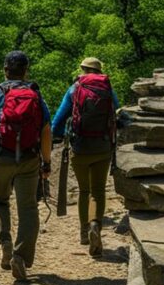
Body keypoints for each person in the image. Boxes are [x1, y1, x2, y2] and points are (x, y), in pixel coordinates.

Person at [0, 51, 53, 282]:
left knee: (0, 200)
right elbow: (46, 131)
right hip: (28, 158)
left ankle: (5, 242)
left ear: (5, 69)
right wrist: (46, 162)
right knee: (28, 207)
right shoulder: (35, 95)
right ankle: (20, 256)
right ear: (26, 70)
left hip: (2, 158)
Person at [51, 57, 120, 257]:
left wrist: (55, 137)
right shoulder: (108, 89)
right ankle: (95, 225)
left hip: (80, 147)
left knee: (84, 190)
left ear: (82, 69)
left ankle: (84, 232)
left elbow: (58, 120)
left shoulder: (74, 89)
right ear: (99, 71)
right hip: (103, 146)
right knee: (97, 191)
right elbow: (118, 113)